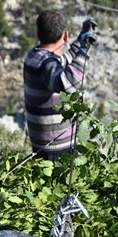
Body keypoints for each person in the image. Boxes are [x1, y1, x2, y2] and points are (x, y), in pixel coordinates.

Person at [23, 11, 97, 161]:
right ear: (65, 36)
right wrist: (83, 51)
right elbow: (69, 83)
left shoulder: (35, 56)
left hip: (43, 144)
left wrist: (81, 39)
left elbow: (62, 61)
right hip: (55, 148)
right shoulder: (46, 64)